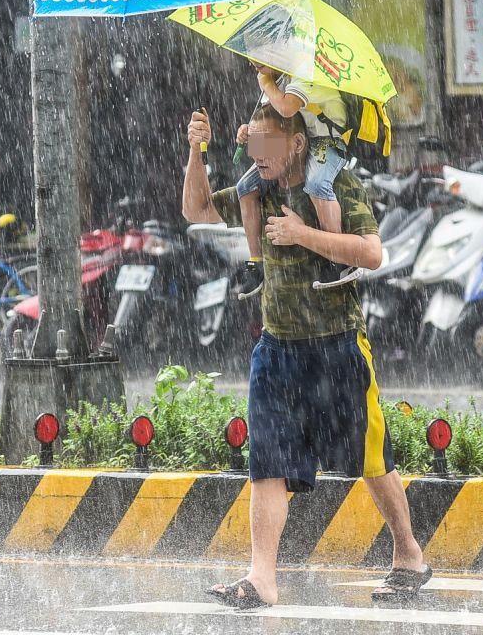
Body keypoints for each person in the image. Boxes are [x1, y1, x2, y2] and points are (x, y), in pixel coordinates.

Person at [183, 106, 430, 609]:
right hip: (277, 347)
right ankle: (261, 579)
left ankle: (408, 552)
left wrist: (302, 234)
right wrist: (197, 151)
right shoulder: (258, 186)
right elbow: (198, 210)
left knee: (370, 459)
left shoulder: (334, 181)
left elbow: (371, 253)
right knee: (267, 462)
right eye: (254, 144)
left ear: (296, 144)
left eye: (268, 143)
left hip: (337, 343)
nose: (259, 154)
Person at [233, 64, 359, 297]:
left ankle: (339, 260)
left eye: (262, 54)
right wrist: (247, 132)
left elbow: (287, 108)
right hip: (294, 141)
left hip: (325, 139)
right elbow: (271, 122)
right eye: (251, 56)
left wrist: (267, 83)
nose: (253, 62)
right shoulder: (278, 78)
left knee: (317, 184)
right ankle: (255, 262)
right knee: (245, 186)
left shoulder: (305, 72)